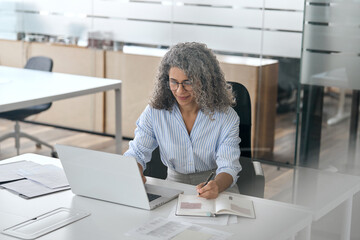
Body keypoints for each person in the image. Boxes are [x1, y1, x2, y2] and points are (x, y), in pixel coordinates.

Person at [124, 42, 241, 199]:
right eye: (174, 81)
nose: (180, 90)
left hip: (217, 187)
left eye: (188, 82)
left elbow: (229, 166)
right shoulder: (155, 112)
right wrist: (134, 170)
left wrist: (216, 186)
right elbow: (137, 152)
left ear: (205, 81)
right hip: (173, 186)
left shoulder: (226, 117)